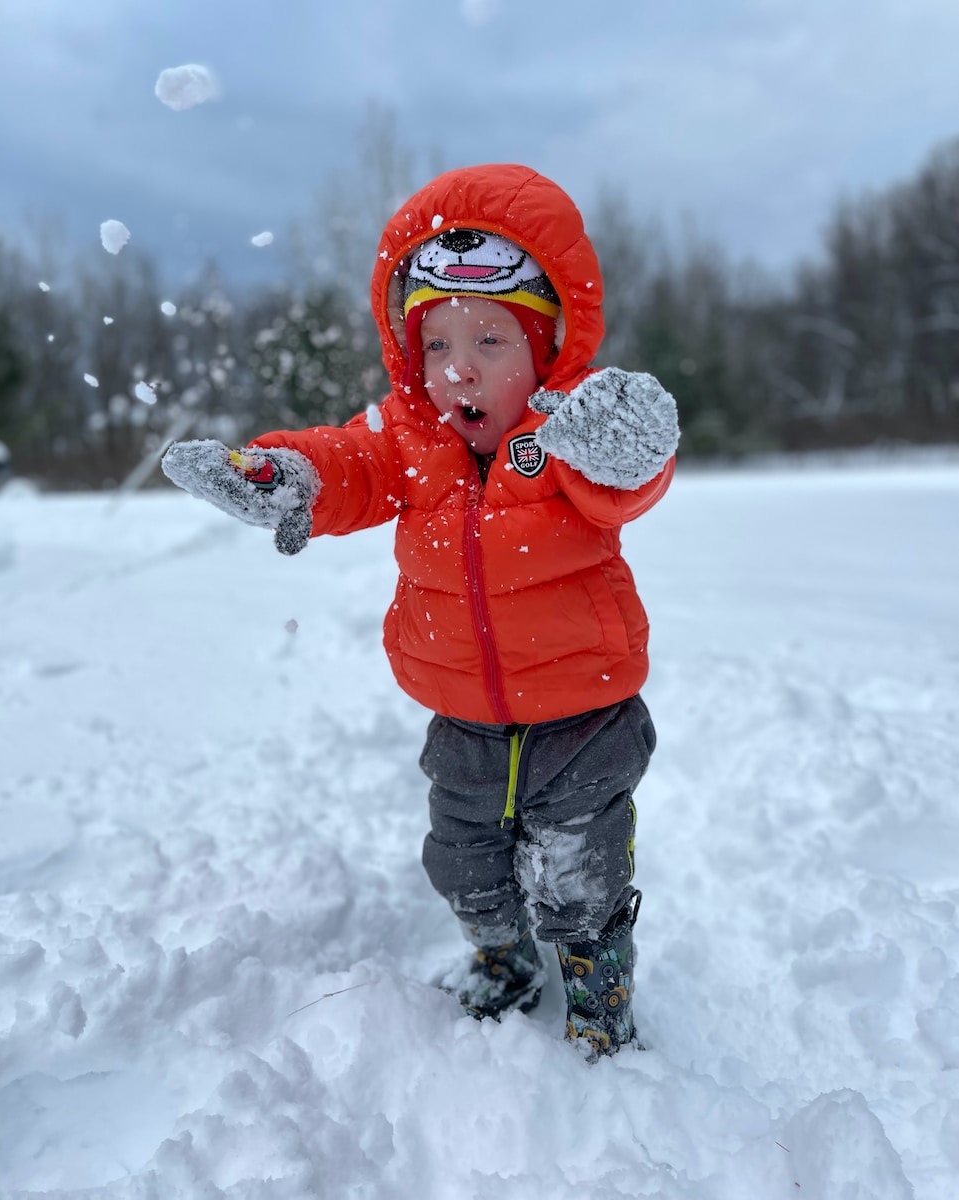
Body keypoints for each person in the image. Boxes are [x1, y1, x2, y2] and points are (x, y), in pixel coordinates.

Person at [162, 163, 679, 1058]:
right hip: (462, 719)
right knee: (463, 863)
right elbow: (349, 463)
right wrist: (290, 477)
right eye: (435, 345)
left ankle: (598, 982)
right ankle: (503, 957)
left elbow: (623, 485)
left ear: (548, 350)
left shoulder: (566, 443)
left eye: (490, 341)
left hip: (585, 715)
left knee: (580, 872)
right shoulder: (412, 444)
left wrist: (624, 441)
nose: (457, 371)